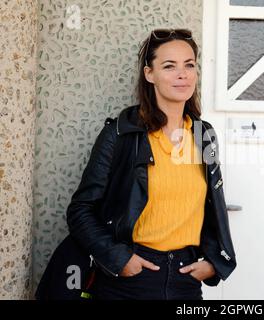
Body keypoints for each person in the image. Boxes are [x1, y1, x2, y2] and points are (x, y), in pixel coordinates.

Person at [66, 28, 236, 300]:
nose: (183, 74)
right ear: (149, 74)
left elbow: (213, 206)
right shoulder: (122, 133)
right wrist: (119, 258)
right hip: (129, 279)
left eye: (189, 65)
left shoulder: (204, 135)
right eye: (169, 66)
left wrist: (214, 263)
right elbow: (81, 210)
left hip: (185, 280)